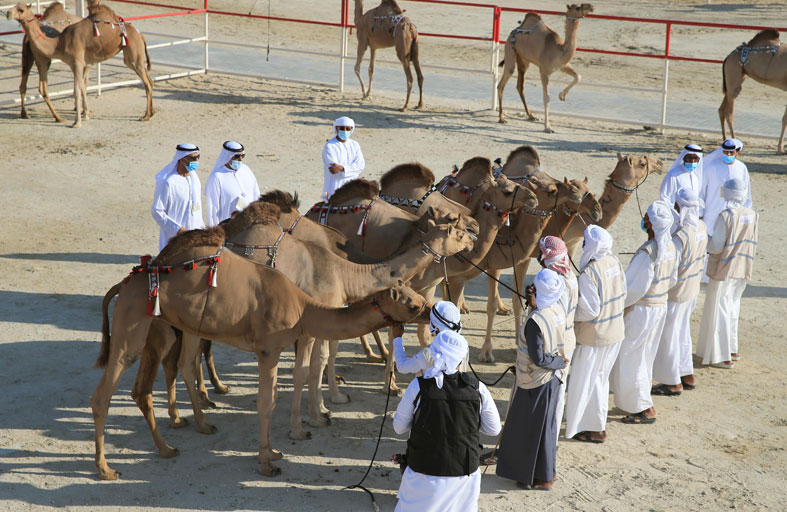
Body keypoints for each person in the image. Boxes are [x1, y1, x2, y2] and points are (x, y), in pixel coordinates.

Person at [392, 331, 501, 512]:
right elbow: (493, 429)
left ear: (434, 355)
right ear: (462, 359)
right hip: (465, 476)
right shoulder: (478, 388)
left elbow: (399, 428)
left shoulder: (418, 386)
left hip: (423, 474)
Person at [496, 269, 568, 490]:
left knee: (529, 429)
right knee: (545, 427)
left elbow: (538, 358)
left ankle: (543, 478)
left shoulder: (535, 321)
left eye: (534, 288)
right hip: (552, 379)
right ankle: (545, 473)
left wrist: (558, 362)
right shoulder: (557, 309)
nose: (530, 291)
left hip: (537, 381)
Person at [610, 201, 677, 425]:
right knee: (644, 356)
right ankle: (638, 401)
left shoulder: (648, 252)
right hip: (659, 307)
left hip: (642, 311)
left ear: (651, 223)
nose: (644, 219)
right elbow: (673, 279)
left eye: (647, 217)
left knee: (632, 357)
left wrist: (617, 306)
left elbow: (633, 289)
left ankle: (643, 407)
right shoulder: (670, 248)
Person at [564, 225, 626, 443]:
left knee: (586, 382)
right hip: (615, 332)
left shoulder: (590, 272)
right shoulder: (614, 262)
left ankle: (593, 428)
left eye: (585, 242)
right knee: (600, 379)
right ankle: (595, 424)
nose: (582, 246)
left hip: (594, 337)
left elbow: (590, 310)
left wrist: (568, 315)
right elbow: (624, 292)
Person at [696, 178, 758, 369]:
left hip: (725, 268)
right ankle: (732, 349)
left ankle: (722, 356)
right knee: (733, 307)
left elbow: (716, 247)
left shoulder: (726, 216)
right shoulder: (752, 214)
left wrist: (702, 238)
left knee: (720, 309)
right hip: (743, 266)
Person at [652, 188, 707, 394]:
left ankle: (672, 381)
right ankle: (686, 374)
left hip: (676, 293)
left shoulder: (680, 236)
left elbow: (672, 273)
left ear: (679, 207)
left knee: (669, 336)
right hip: (692, 290)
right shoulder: (701, 227)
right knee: (683, 333)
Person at [534, 236, 577, 446]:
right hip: (566, 337)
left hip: (555, 340)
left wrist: (534, 305)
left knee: (550, 389)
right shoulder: (570, 275)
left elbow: (549, 316)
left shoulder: (552, 280)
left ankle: (546, 439)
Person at [151, 143, 205, 251]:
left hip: (195, 235)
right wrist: (177, 229)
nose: (195, 161)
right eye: (192, 158)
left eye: (197, 158)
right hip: (174, 237)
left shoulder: (194, 178)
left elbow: (197, 208)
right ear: (181, 159)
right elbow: (157, 211)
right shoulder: (169, 183)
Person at [393, 300, 463, 376]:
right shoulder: (463, 346)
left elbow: (402, 367)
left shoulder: (428, 354)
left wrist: (397, 338)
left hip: (431, 387)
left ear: (436, 327)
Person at [700, 138, 752, 235]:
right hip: (713, 211)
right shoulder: (711, 167)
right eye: (725, 152)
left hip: (735, 213)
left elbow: (747, 192)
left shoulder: (741, 168)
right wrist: (700, 212)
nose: (728, 155)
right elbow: (701, 191)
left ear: (738, 152)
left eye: (731, 153)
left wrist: (746, 211)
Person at [205, 141, 261, 226]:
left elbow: (256, 194)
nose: (240, 159)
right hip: (228, 227)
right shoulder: (217, 177)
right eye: (237, 156)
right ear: (228, 157)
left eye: (242, 156)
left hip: (249, 224)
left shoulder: (246, 170)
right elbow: (213, 208)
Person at [321, 116, 365, 200]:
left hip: (352, 188)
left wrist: (342, 168)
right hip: (333, 189)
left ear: (351, 129)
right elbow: (336, 173)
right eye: (342, 128)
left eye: (348, 128)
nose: (345, 131)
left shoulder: (355, 145)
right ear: (336, 128)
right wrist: (353, 171)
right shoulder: (329, 146)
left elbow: (361, 166)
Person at [660, 143, 704, 208]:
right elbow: (665, 197)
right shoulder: (673, 175)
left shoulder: (696, 176)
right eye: (690, 157)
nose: (692, 161)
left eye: (695, 158)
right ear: (684, 157)